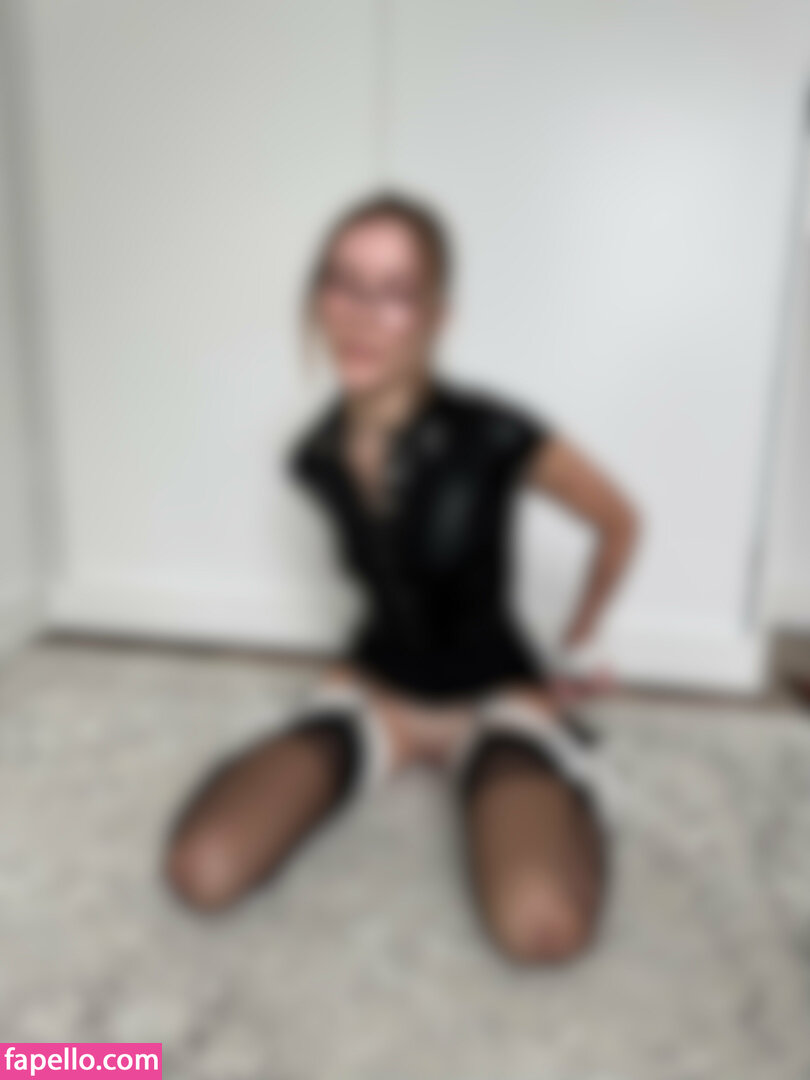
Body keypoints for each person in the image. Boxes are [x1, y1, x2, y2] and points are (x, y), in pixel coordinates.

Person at [165, 192, 640, 965]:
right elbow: (392, 575)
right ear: (318, 297)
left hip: (494, 697)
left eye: (394, 292)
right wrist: (348, 679)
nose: (361, 314)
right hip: (379, 695)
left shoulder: (495, 433)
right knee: (201, 872)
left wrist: (580, 640)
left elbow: (620, 520)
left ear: (435, 316)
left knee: (542, 926)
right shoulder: (313, 458)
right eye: (344, 283)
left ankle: (567, 778)